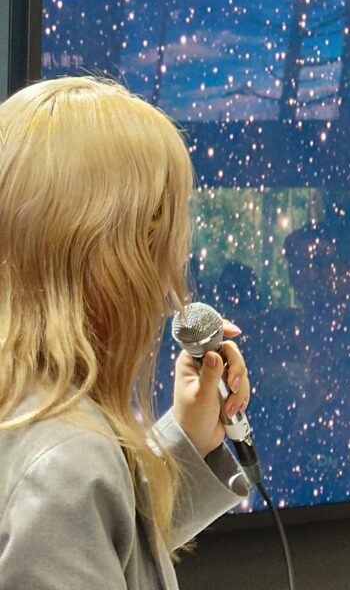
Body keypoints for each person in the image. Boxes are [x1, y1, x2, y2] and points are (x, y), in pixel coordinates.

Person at [0, 76, 253, 589]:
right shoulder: (65, 462)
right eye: (162, 241)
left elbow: (91, 541)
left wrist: (186, 439)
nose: (171, 276)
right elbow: (69, 501)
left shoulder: (26, 413)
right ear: (115, 258)